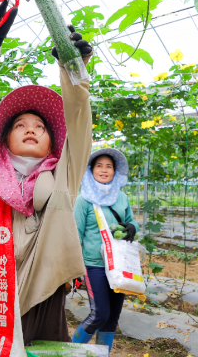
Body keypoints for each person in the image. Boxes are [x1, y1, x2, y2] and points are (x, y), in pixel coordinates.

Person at [0, 0, 93, 356]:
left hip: (40, 296)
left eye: (40, 127)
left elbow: (79, 120)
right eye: (20, 125)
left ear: (51, 144)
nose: (31, 129)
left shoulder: (62, 180)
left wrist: (74, 71)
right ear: (4, 137)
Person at [72, 148, 140, 351]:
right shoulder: (84, 199)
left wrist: (132, 226)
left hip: (118, 266)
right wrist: (73, 269)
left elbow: (130, 221)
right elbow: (75, 235)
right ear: (91, 170)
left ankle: (102, 354)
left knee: (112, 318)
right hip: (94, 265)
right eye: (99, 166)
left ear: (115, 171)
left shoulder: (122, 198)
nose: (104, 170)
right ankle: (72, 350)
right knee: (99, 314)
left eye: (109, 166)